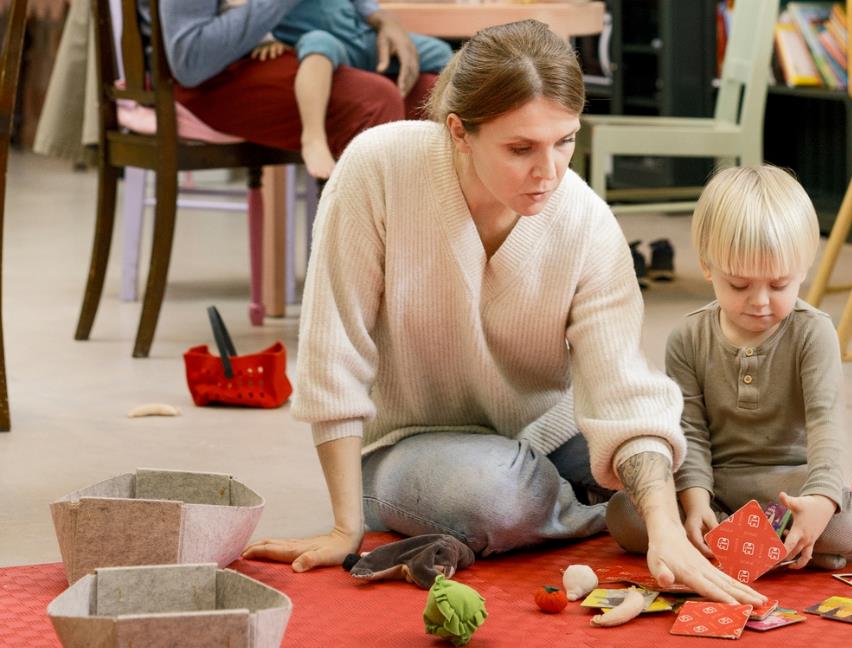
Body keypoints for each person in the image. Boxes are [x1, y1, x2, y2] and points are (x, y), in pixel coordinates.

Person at [241, 19, 765, 606]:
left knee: (692, 451)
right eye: (521, 149)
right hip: (407, 448)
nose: (550, 172)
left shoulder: (586, 221)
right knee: (496, 495)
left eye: (565, 140)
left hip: (550, 431)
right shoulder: (378, 168)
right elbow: (333, 350)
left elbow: (622, 389)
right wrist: (346, 528)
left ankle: (616, 513)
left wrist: (663, 527)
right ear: (459, 131)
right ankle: (602, 514)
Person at [606, 166, 852, 570]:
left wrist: (820, 500)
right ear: (708, 266)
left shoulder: (814, 332)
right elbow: (690, 431)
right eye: (739, 285)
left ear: (803, 268)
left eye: (779, 285)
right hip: (719, 486)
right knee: (625, 516)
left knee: (842, 528)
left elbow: (826, 425)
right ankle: (783, 547)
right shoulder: (687, 337)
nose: (760, 301)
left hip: (793, 485)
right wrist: (695, 501)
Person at [152, 0, 437, 163]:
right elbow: (190, 62)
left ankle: (427, 242)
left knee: (433, 93)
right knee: (372, 99)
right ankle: (366, 248)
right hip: (212, 75)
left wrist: (383, 18)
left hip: (298, 45)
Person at [242, 0, 453, 178]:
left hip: (362, 37)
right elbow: (249, 11)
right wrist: (266, 39)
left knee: (440, 52)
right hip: (325, 42)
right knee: (318, 49)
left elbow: (365, 6)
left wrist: (380, 21)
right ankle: (313, 138)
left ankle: (452, 145)